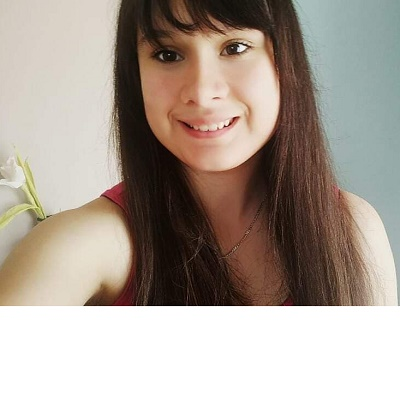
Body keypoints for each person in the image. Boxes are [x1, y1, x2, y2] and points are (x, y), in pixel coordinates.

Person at [0, 0, 397, 306]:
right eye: (168, 55)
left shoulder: (351, 230)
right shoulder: (86, 242)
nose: (203, 92)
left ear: (283, 61)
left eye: (235, 47)